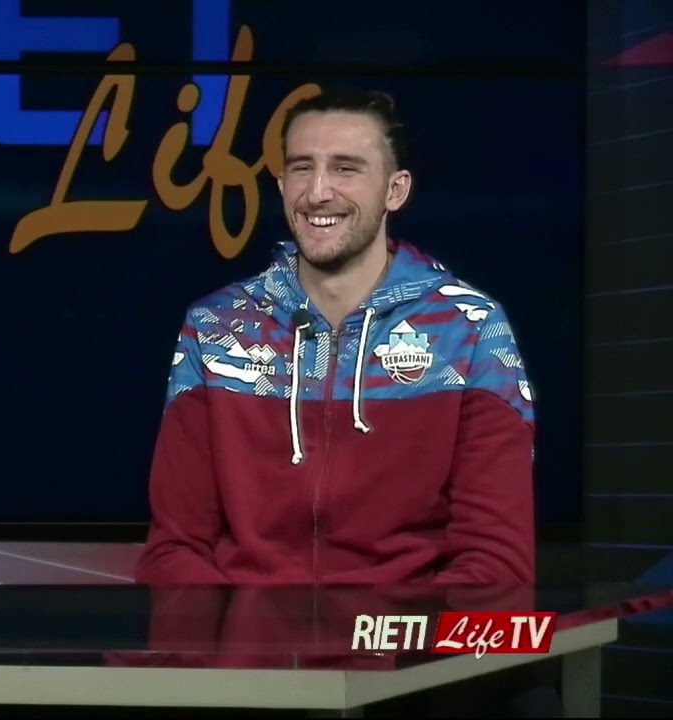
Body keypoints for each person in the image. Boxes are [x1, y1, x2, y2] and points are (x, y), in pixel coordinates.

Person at [135, 89, 537, 587]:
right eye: (302, 168)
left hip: (405, 634)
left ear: (395, 190)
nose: (318, 192)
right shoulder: (216, 325)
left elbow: (495, 565)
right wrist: (241, 632)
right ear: (281, 184)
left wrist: (392, 633)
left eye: (346, 169)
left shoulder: (469, 327)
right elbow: (174, 550)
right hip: (249, 633)